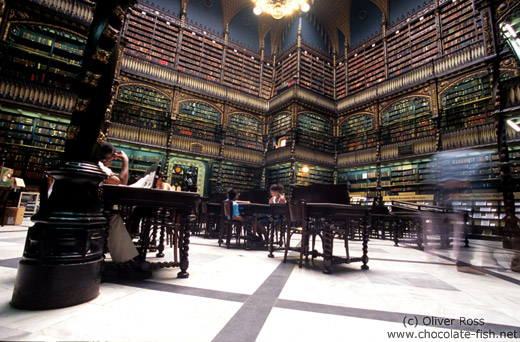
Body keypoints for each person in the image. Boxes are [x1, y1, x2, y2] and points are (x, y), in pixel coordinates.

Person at [98, 141, 139, 264]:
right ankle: (124, 260)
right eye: (111, 159)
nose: (111, 162)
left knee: (114, 216)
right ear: (107, 158)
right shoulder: (100, 167)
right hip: (88, 211)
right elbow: (122, 182)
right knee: (113, 217)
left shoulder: (96, 164)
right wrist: (125, 160)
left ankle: (126, 257)